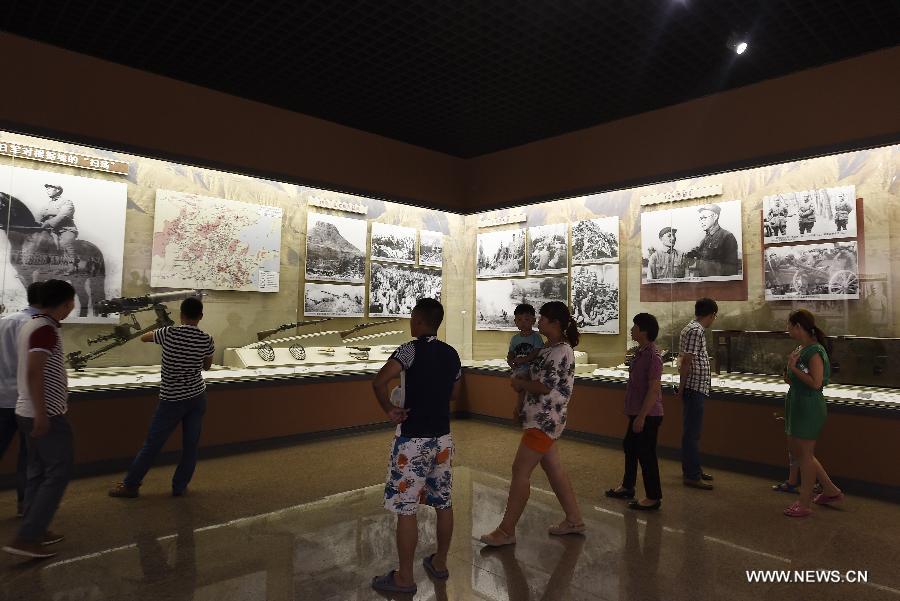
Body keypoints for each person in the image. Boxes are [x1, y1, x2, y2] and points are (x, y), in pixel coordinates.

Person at [369, 298, 461, 596]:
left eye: (412, 318)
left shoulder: (409, 349)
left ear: (419, 322)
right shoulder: (451, 353)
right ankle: (441, 562)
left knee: (406, 508)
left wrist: (389, 408)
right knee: (444, 502)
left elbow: (380, 380)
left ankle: (405, 578)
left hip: (412, 440)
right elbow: (454, 392)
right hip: (443, 438)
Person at [480, 301, 584, 547]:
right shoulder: (548, 348)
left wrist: (521, 385)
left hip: (544, 421)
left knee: (520, 470)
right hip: (537, 417)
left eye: (543, 319)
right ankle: (574, 519)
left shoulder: (560, 351)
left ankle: (506, 530)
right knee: (554, 469)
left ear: (555, 323)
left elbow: (545, 386)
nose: (538, 322)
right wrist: (520, 402)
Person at [109, 297, 214, 499]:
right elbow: (207, 366)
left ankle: (131, 485)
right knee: (190, 445)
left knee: (153, 444)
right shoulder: (206, 338)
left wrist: (162, 329)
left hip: (171, 399)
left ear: (181, 315)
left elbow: (144, 337)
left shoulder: (168, 333)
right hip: (197, 396)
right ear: (200, 316)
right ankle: (179, 487)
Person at [2, 279, 76, 559]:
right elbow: (35, 372)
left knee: (38, 470)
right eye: (71, 302)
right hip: (43, 414)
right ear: (67, 303)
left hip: (27, 410)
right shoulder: (44, 329)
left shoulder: (35, 324)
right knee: (58, 471)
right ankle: (28, 537)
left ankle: (35, 526)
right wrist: (43, 414)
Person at [782, 309, 843, 517]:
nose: (787, 329)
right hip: (797, 402)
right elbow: (793, 379)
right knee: (801, 453)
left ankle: (804, 503)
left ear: (798, 327)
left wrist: (794, 368)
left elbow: (816, 384)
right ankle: (831, 490)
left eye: (789, 325)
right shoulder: (801, 349)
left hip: (809, 406)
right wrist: (789, 371)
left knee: (805, 456)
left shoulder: (815, 351)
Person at [605, 313, 664, 511]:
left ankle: (653, 497)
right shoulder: (640, 353)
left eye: (635, 327)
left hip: (648, 414)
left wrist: (641, 417)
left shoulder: (653, 357)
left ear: (644, 331)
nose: (631, 330)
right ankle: (628, 486)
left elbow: (654, 390)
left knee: (646, 454)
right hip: (636, 412)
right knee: (630, 447)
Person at [0, 282, 44, 518]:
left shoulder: (5, 320)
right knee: (29, 458)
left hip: (1, 397)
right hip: (25, 400)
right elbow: (35, 369)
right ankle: (25, 505)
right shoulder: (37, 325)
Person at [677, 298, 717, 490]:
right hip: (694, 386)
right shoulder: (695, 330)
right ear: (711, 315)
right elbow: (687, 361)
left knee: (693, 432)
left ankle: (694, 469)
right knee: (691, 433)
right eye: (713, 317)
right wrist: (682, 386)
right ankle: (692, 475)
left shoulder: (693, 329)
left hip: (696, 386)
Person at [22, 184, 79, 274]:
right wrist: (34, 223)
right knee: (36, 239)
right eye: (47, 189)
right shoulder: (47, 204)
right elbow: (39, 215)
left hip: (66, 230)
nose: (47, 190)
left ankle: (72, 267)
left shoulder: (67, 202)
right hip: (53, 231)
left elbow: (63, 215)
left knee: (65, 242)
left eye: (50, 188)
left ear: (58, 190)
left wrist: (48, 223)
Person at [507, 303, 544, 417]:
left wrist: (524, 360)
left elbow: (536, 352)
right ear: (515, 321)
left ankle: (520, 410)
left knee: (523, 388)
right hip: (519, 369)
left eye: (526, 319)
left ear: (533, 320)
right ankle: (521, 410)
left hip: (531, 370)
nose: (523, 322)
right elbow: (511, 352)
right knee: (519, 388)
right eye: (519, 319)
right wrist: (510, 360)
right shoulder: (515, 338)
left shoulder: (536, 337)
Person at [688, 204, 740, 277]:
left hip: (719, 284)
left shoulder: (727, 236)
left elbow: (731, 269)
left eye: (704, 218)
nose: (701, 221)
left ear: (715, 217)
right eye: (700, 218)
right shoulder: (704, 240)